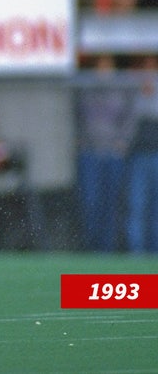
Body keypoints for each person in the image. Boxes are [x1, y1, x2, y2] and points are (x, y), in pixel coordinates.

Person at [74, 54, 132, 252]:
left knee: (111, 204)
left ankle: (107, 250)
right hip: (90, 152)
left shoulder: (121, 89)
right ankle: (90, 248)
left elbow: (130, 117)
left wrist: (122, 141)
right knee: (90, 202)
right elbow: (75, 116)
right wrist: (79, 139)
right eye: (99, 66)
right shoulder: (85, 88)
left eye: (107, 66)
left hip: (112, 154)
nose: (103, 71)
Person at [125, 55, 158, 253]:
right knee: (136, 207)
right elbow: (131, 116)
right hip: (138, 156)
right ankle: (135, 254)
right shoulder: (132, 91)